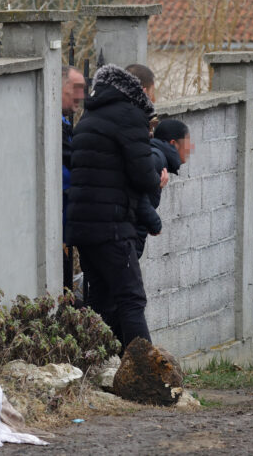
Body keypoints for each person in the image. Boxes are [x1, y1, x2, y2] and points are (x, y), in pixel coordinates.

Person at [65, 63, 168, 351]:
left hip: (82, 227)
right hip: (112, 226)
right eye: (153, 93)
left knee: (101, 299)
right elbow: (140, 173)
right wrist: (156, 179)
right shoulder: (130, 115)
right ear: (144, 90)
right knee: (131, 298)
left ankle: (97, 364)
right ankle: (146, 376)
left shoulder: (91, 113)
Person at [134, 119, 194, 259]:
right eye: (187, 142)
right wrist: (153, 222)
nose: (190, 148)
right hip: (124, 241)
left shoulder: (156, 156)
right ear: (173, 143)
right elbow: (133, 191)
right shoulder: (156, 158)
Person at [61, 66, 86, 293]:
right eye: (76, 88)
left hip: (68, 223)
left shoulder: (66, 123)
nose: (81, 95)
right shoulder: (54, 124)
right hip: (57, 224)